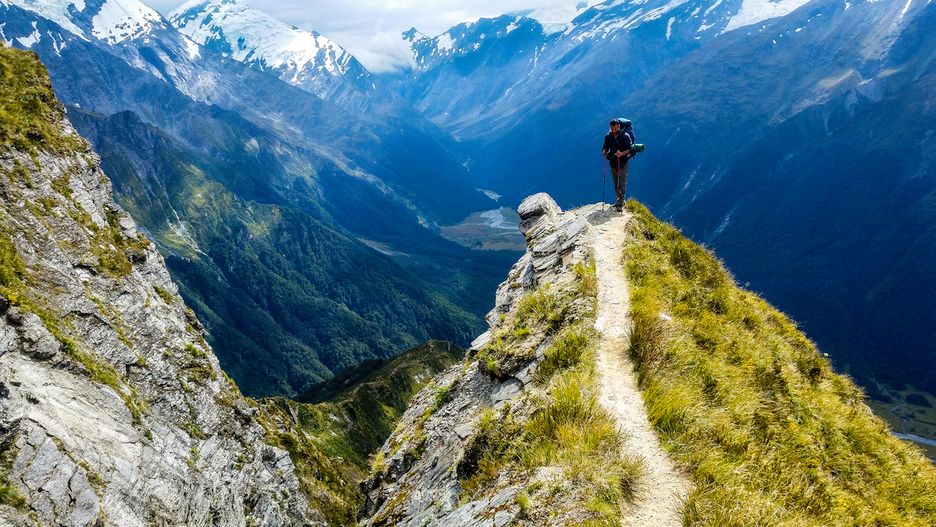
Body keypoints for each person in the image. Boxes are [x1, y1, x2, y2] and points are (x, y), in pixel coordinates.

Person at [602, 119, 634, 212]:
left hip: (623, 162)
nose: (614, 131)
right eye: (612, 129)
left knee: (622, 183)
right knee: (616, 183)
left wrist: (621, 153)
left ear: (619, 126)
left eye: (615, 129)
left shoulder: (625, 136)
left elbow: (630, 149)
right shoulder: (608, 136)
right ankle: (618, 200)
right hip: (613, 162)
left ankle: (620, 202)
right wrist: (604, 151)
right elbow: (605, 147)